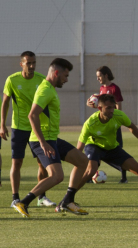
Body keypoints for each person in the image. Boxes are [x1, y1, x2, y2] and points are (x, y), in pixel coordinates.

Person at [13, 58, 90, 218]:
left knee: (83, 161)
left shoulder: (49, 88)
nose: (66, 79)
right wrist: (43, 143)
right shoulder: (45, 90)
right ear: (56, 73)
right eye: (65, 75)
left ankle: (68, 201)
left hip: (51, 138)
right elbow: (32, 115)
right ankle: (23, 202)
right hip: (42, 140)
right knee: (57, 176)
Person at [1, 51, 56, 207]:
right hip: (19, 128)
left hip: (37, 128)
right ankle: (15, 198)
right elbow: (5, 102)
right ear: (21, 64)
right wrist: (2, 124)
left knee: (41, 162)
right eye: (28, 63)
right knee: (17, 162)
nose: (32, 66)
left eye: (34, 63)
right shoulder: (12, 80)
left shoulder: (41, 80)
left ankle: (41, 197)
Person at [87, 66, 128, 184]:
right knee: (97, 148)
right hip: (101, 125)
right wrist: (89, 104)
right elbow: (100, 107)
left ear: (106, 75)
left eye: (99, 76)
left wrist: (116, 120)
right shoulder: (101, 89)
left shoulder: (115, 89)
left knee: (118, 149)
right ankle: (90, 175)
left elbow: (119, 108)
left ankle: (123, 177)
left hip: (112, 125)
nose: (97, 79)